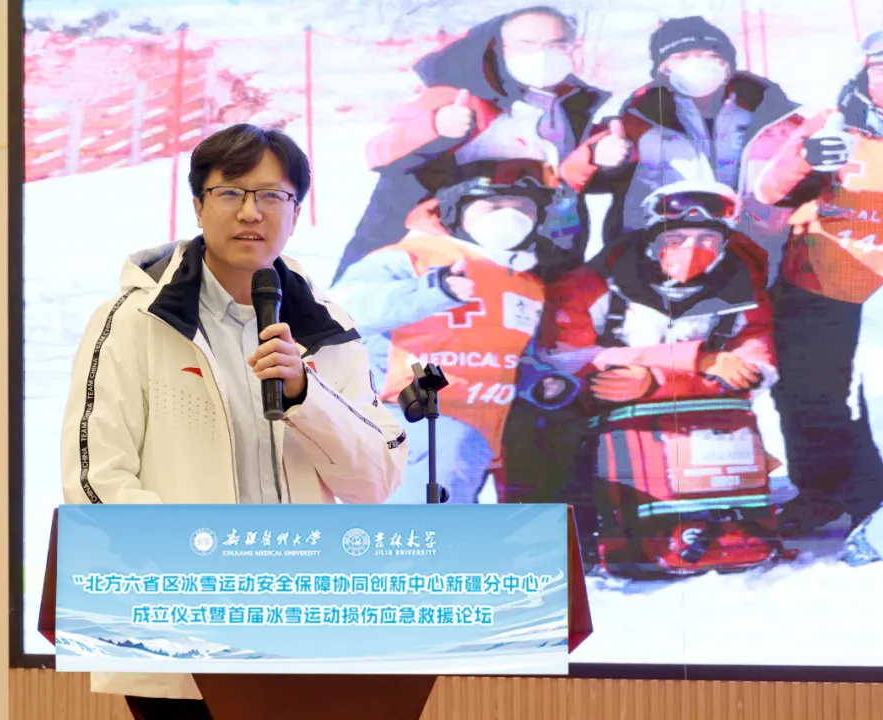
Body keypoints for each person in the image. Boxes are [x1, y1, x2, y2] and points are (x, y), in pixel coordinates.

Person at [59, 124, 408, 718]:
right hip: (180, 628)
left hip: (302, 629)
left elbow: (373, 481)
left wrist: (306, 395)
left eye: (272, 195)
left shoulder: (329, 329)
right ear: (199, 205)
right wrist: (198, 578)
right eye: (231, 193)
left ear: (296, 212)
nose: (251, 212)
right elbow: (96, 477)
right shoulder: (135, 320)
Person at [536, 181, 785, 576]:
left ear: (725, 242)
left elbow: (755, 367)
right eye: (676, 237)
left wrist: (656, 382)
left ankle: (728, 528)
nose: (691, 249)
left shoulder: (742, 290)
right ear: (652, 238)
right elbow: (561, 359)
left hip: (696, 421)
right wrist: (694, 361)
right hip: (598, 415)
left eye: (706, 238)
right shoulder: (593, 284)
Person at [333, 164, 572, 505]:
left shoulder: (527, 283)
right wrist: (435, 290)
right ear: (457, 209)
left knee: (452, 505)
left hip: (476, 431)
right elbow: (342, 311)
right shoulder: (410, 258)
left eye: (523, 207)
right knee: (424, 516)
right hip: (403, 414)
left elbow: (511, 354)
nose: (510, 217)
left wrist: (539, 381)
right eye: (493, 205)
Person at [331, 5, 609, 285]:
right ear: (500, 47)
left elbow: (567, 171)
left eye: (557, 45)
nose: (542, 55)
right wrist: (436, 127)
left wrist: (599, 153)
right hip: (436, 244)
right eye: (526, 44)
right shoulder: (458, 93)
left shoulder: (570, 104)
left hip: (529, 242)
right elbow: (379, 151)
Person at [752, 30, 883, 562]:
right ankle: (821, 492)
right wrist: (807, 158)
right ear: (865, 71)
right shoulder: (832, 121)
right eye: (880, 67)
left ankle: (871, 500)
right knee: (809, 393)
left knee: (874, 400)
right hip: (821, 283)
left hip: (880, 296)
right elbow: (767, 189)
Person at [560, 15, 804, 287]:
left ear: (728, 64)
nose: (696, 64)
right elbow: (572, 176)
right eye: (681, 57)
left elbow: (813, 179)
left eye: (709, 55)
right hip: (657, 265)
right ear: (661, 68)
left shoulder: (777, 121)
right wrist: (598, 158)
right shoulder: (636, 121)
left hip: (759, 261)